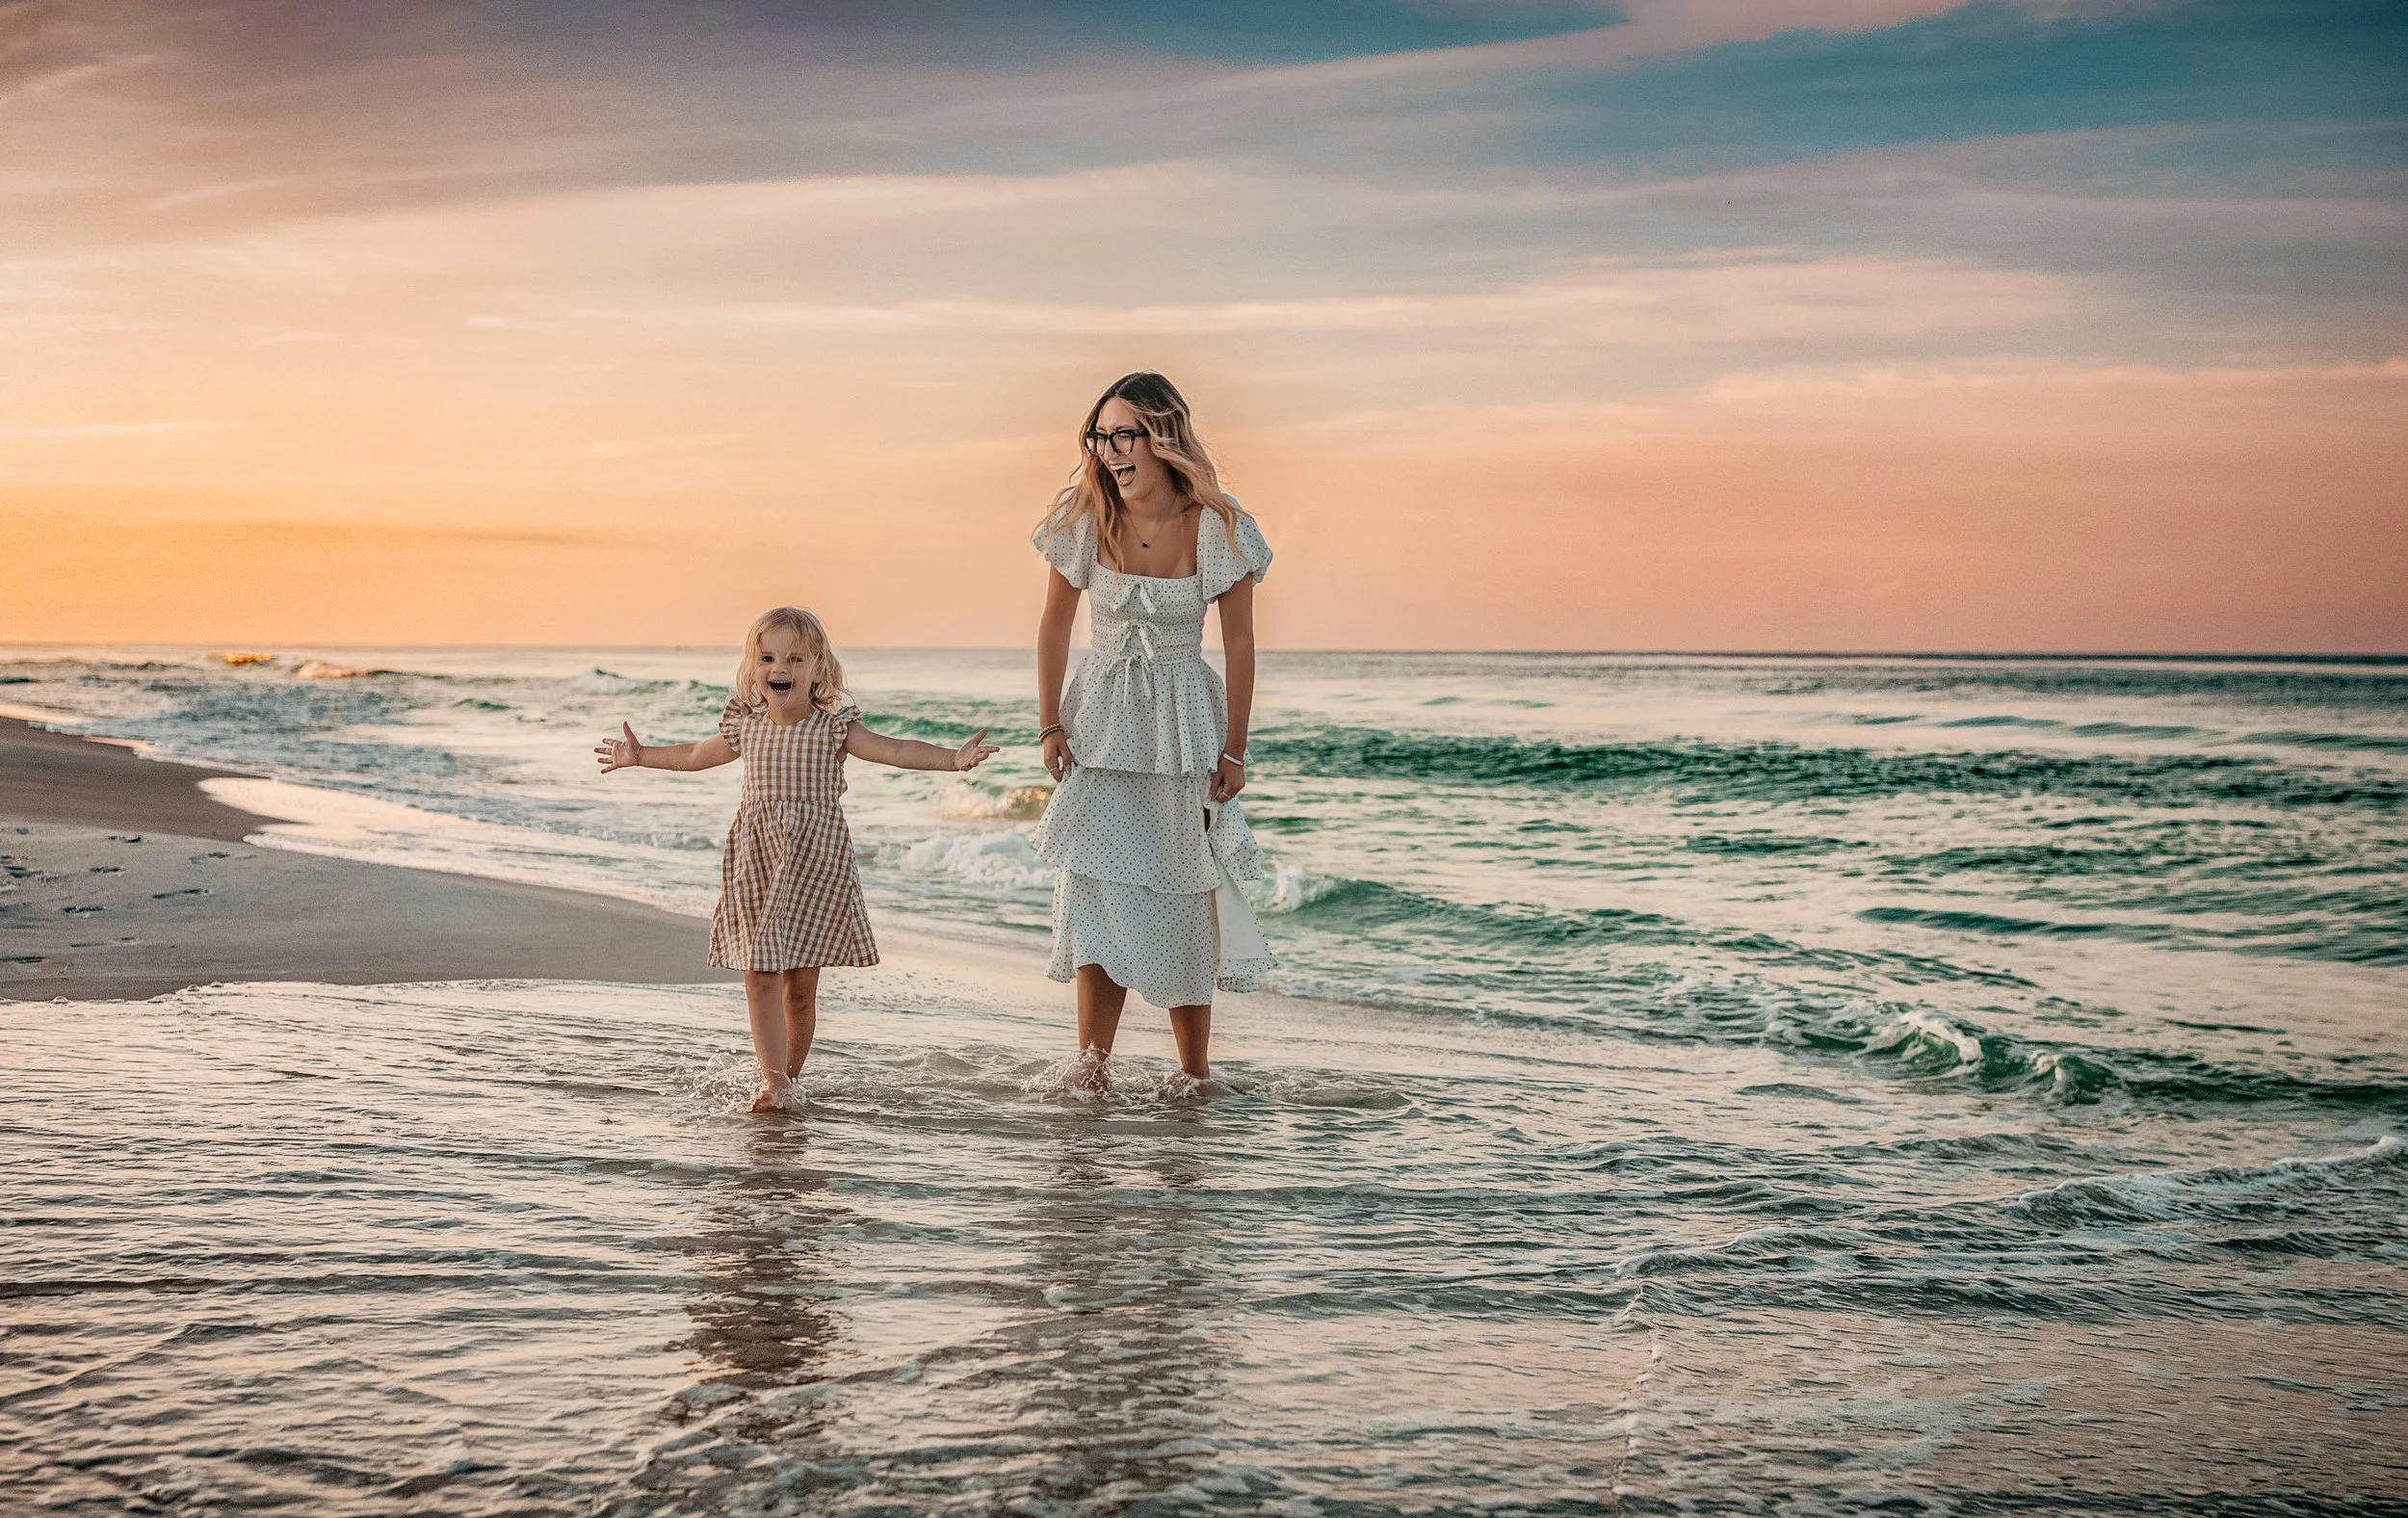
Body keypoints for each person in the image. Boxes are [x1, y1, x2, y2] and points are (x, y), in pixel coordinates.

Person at [596, 606, 998, 1112]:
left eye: (793, 658)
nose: (778, 668)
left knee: (800, 988)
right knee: (759, 972)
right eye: (767, 658)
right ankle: (775, 1083)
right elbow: (695, 755)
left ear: (817, 669)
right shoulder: (746, 727)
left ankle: (789, 1079)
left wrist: (952, 760)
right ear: (753, 668)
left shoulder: (834, 730)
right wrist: (641, 755)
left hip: (816, 865)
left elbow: (894, 750)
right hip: (760, 862)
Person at [1032, 372, 1276, 1089]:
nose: (1110, 452)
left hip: (1182, 731)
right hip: (1100, 729)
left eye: (1124, 435)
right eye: (1100, 437)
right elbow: (1052, 625)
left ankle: (1193, 1075)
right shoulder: (1084, 519)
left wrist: (1236, 747)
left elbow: (1239, 645)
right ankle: (1091, 1069)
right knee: (1098, 890)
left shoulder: (1219, 525)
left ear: (1163, 434)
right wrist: (1048, 722)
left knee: (1183, 891)